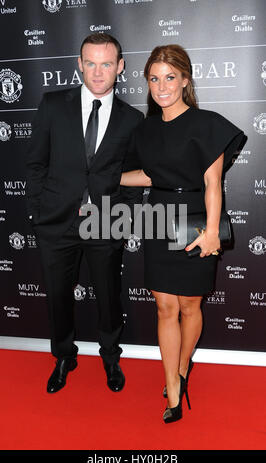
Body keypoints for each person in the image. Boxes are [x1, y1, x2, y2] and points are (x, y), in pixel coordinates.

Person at [120, 44, 246, 423]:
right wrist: (106, 177)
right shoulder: (144, 130)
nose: (162, 86)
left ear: (185, 80)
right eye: (154, 78)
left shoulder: (208, 124)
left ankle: (182, 367)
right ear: (147, 82)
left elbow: (212, 182)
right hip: (157, 217)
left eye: (170, 77)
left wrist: (211, 232)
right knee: (164, 306)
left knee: (190, 306)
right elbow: (149, 176)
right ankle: (172, 387)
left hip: (194, 219)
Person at [26, 33, 143, 394]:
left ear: (120, 67)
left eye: (106, 63)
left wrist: (119, 217)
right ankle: (64, 356)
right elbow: (35, 164)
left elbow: (134, 175)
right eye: (90, 63)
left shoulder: (132, 119)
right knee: (58, 296)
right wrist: (38, 213)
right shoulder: (52, 105)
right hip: (57, 222)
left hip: (105, 222)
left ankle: (110, 357)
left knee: (109, 297)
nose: (97, 72)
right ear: (79, 63)